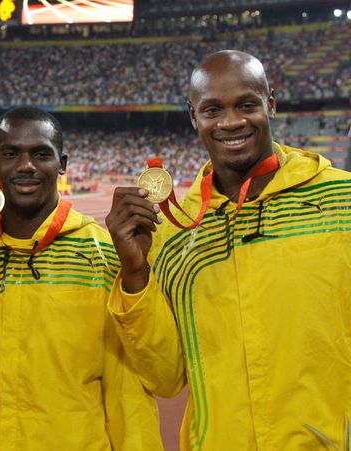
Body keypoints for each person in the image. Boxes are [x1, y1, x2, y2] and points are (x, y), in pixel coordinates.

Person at [106, 50, 351, 450]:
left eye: (247, 105)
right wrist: (135, 273)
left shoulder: (341, 199)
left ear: (271, 102)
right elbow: (166, 377)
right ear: (193, 115)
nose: (231, 122)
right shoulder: (172, 234)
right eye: (213, 109)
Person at [0, 107, 166, 450]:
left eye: (41, 154)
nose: (26, 165)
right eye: (11, 153)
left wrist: (135, 273)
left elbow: (148, 384)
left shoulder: (104, 256)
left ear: (63, 164)